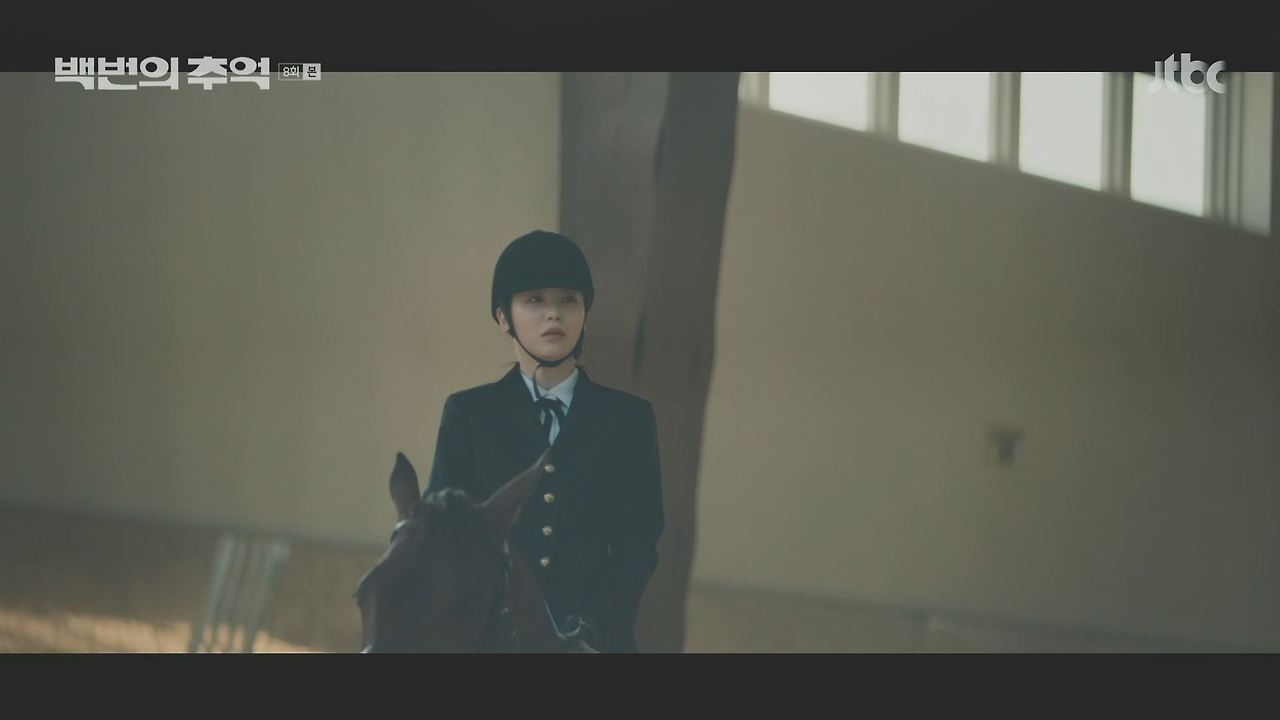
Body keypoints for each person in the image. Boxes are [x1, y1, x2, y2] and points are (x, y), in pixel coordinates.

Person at [425, 229, 665, 652]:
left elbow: (638, 545)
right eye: (534, 299)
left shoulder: (628, 420)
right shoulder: (469, 414)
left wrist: (592, 632)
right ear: (503, 316)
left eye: (568, 300)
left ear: (585, 312)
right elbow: (445, 538)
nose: (553, 314)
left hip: (595, 645)